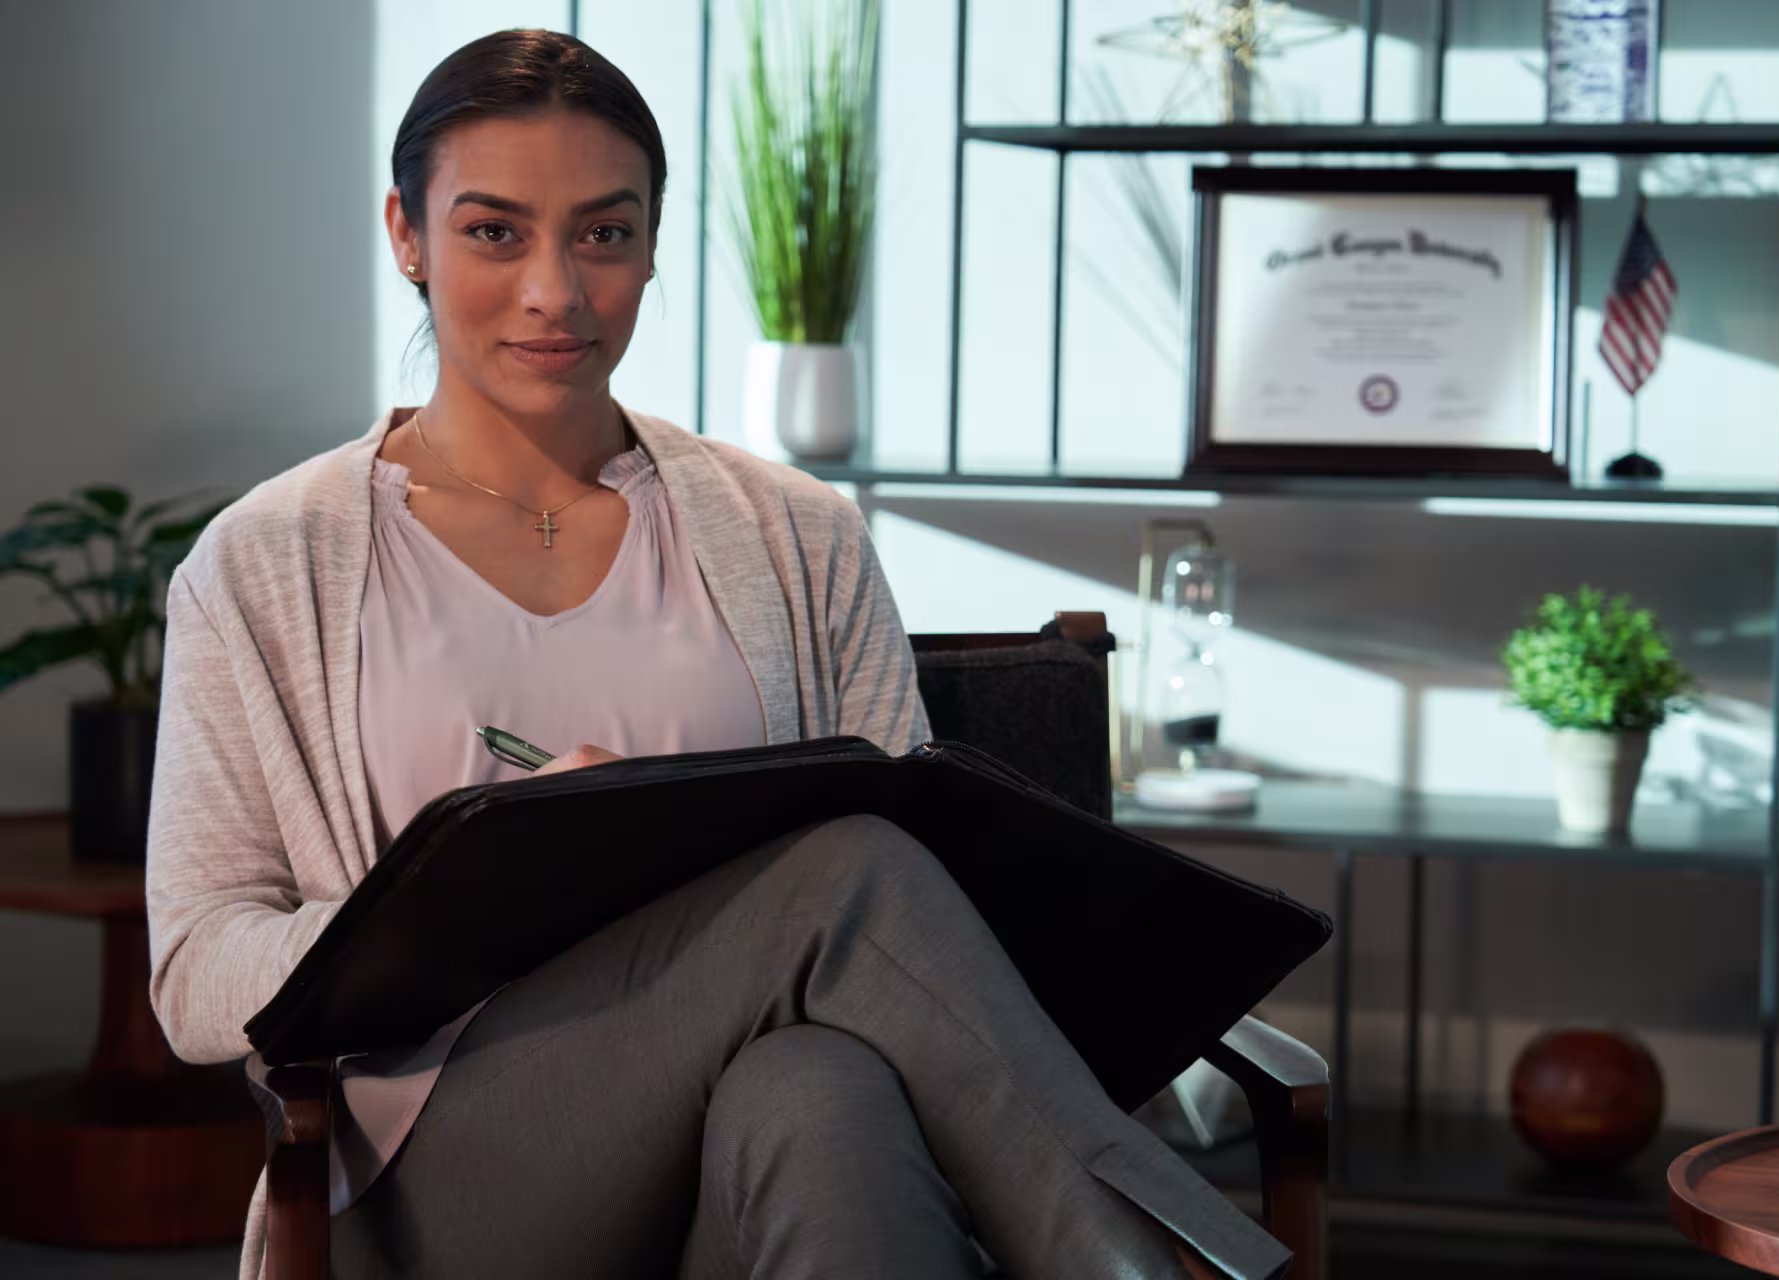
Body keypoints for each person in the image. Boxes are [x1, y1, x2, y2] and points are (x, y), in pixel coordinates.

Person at [143, 28, 1292, 1280]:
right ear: (407, 234)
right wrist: (459, 887)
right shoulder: (264, 560)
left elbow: (934, 905)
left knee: (823, 1085)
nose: (555, 290)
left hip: (727, 1165)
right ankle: (1150, 1256)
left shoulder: (797, 533)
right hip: (437, 1180)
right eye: (493, 232)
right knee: (847, 865)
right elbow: (197, 968)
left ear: (648, 241)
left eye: (603, 232)